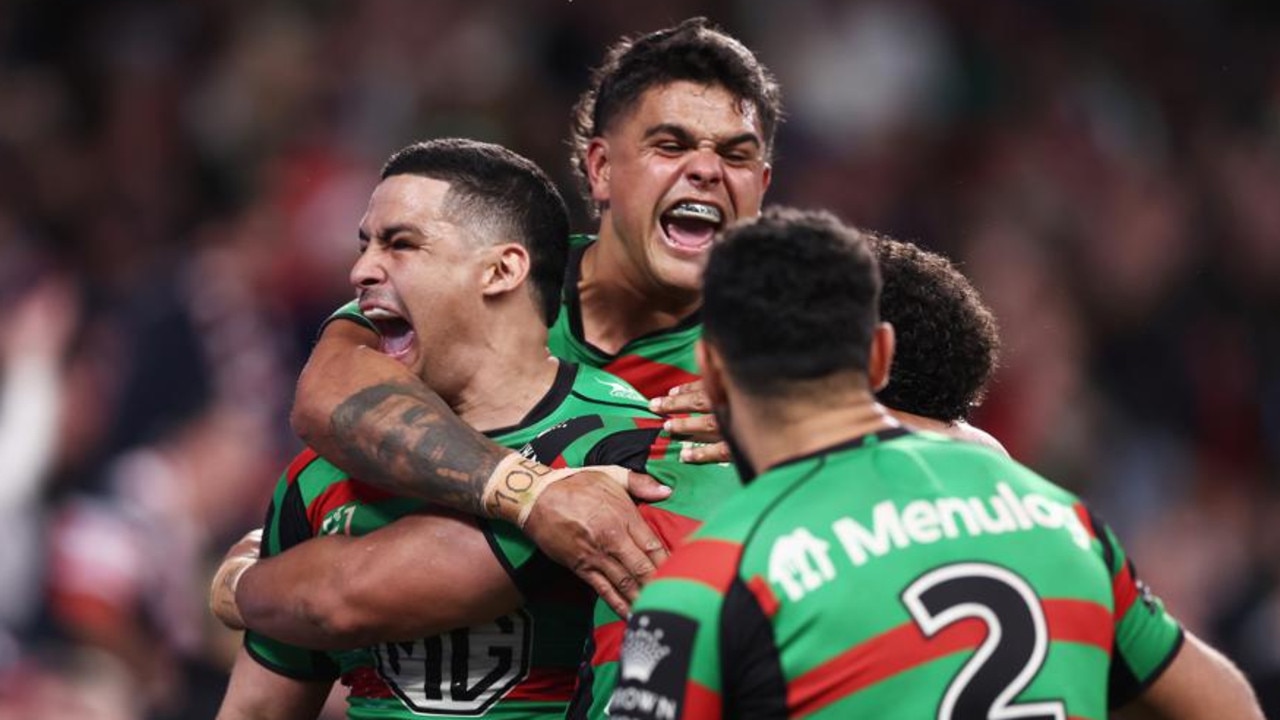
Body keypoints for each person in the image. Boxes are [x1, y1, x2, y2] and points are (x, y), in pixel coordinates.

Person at [610, 207, 1264, 719]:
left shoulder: (712, 579)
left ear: (713, 375)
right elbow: (1229, 707)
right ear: (877, 355)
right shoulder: (1066, 523)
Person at [214, 138, 734, 720]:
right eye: (365, 245)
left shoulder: (638, 448)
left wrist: (238, 586)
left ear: (501, 269)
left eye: (400, 243)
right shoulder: (320, 475)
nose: (360, 270)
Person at [283, 17, 781, 613]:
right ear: (600, 168)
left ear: (762, 184)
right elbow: (327, 394)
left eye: (736, 154)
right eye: (670, 146)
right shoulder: (488, 280)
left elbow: (918, 460)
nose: (706, 170)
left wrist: (820, 432)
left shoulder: (790, 349)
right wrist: (530, 493)